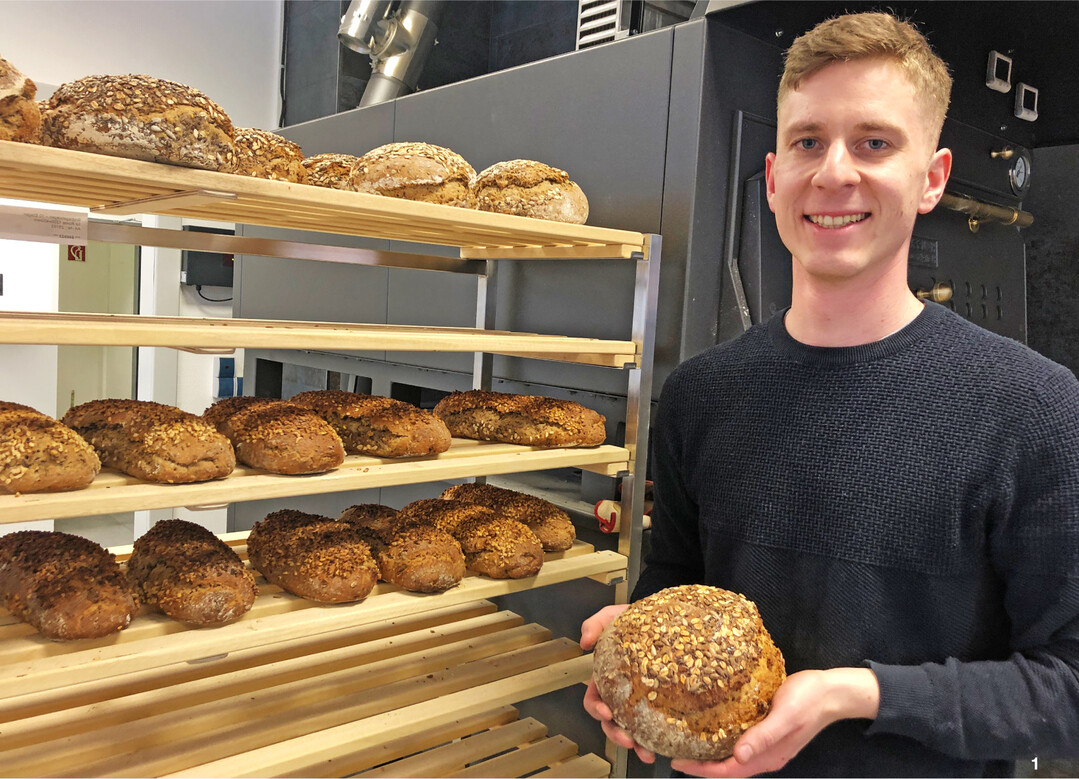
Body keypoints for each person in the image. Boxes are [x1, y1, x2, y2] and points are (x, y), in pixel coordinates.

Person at [581, 11, 1079, 778]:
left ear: (932, 178)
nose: (834, 172)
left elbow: (1066, 684)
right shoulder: (699, 397)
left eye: (873, 142)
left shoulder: (1032, 409)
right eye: (807, 141)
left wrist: (859, 694)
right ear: (775, 175)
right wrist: (634, 645)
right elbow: (673, 580)